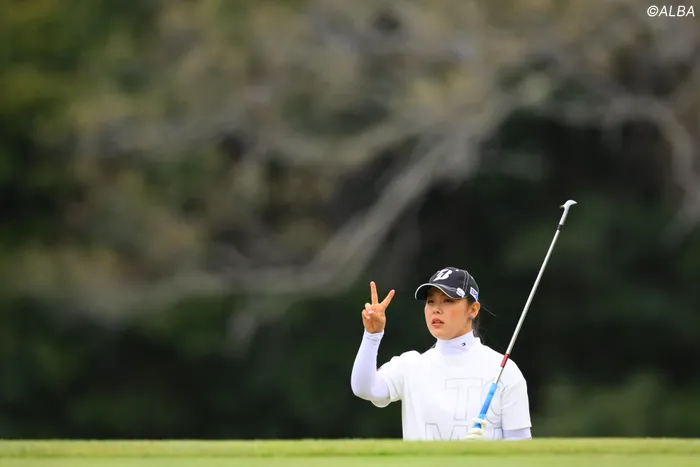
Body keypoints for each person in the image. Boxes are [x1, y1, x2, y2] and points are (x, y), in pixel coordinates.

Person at [350, 267, 532, 441]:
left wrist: (491, 450)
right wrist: (372, 336)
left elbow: (522, 447)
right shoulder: (410, 365)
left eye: (448, 301)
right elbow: (364, 388)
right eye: (431, 301)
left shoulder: (503, 370)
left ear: (473, 310)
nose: (436, 309)